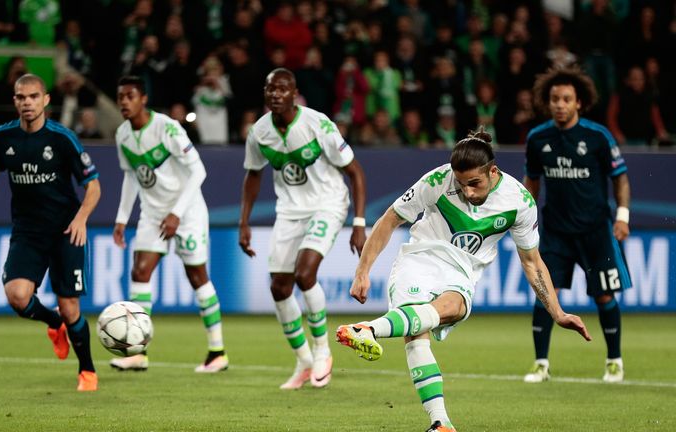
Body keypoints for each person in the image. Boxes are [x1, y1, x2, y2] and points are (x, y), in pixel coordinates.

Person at [336, 128, 591, 432]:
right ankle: (440, 423)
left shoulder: (519, 201)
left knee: (454, 307)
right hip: (421, 257)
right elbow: (391, 218)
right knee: (417, 335)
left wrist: (557, 313)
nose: (468, 192)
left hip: (461, 269)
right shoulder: (437, 181)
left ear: (492, 171)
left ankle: (367, 329)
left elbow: (532, 261)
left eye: (475, 183)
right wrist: (362, 270)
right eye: (462, 184)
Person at [0, 73, 100, 392]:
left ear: (45, 100)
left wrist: (82, 219)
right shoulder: (3, 138)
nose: (27, 103)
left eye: (33, 97)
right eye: (21, 97)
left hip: (65, 230)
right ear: (15, 101)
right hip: (28, 231)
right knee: (18, 297)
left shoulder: (62, 139)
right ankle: (53, 323)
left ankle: (87, 370)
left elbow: (94, 186)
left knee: (70, 305)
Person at [240, 68, 367, 390]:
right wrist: (244, 221)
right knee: (279, 288)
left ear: (294, 93)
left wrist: (358, 222)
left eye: (282, 89)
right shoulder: (259, 132)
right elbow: (253, 175)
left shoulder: (318, 124)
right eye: (270, 89)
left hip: (328, 204)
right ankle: (304, 362)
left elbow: (355, 173)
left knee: (304, 274)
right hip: (289, 211)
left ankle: (323, 351)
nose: (275, 95)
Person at [111, 75, 228, 373]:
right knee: (140, 271)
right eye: (120, 96)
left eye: (130, 96)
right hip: (152, 213)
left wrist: (177, 212)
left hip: (186, 212)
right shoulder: (122, 134)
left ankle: (217, 352)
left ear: (143, 99)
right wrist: (122, 217)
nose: (124, 101)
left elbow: (199, 171)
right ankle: (137, 351)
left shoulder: (167, 128)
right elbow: (130, 176)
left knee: (197, 276)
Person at [523, 66, 631, 384]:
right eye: (555, 98)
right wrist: (523, 223)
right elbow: (532, 183)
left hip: (596, 230)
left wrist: (622, 216)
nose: (560, 104)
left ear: (579, 102)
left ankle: (614, 361)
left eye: (566, 99)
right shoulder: (537, 138)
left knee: (604, 297)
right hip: (556, 232)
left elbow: (620, 178)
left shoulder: (598, 136)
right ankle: (540, 363)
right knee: (546, 294)